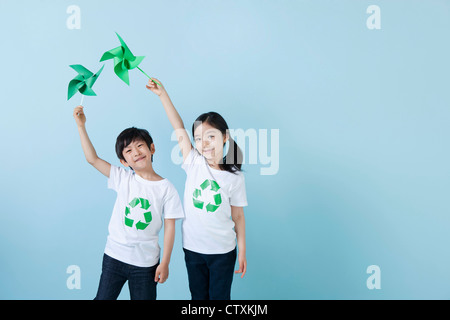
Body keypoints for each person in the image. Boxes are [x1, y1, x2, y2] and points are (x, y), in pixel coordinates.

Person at [146, 79, 248, 300]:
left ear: (225, 137)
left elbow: (238, 216)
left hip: (223, 252)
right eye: (199, 138)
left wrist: (242, 250)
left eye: (211, 136)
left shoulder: (235, 177)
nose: (205, 143)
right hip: (193, 249)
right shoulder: (193, 162)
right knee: (198, 299)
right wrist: (162, 94)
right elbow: (178, 126)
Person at [73, 105, 184, 300]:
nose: (136, 152)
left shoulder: (167, 189)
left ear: (152, 148)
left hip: (146, 263)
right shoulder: (122, 178)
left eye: (140, 146)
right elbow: (92, 159)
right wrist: (81, 126)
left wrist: (165, 261)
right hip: (114, 256)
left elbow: (170, 228)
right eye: (129, 150)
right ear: (124, 162)